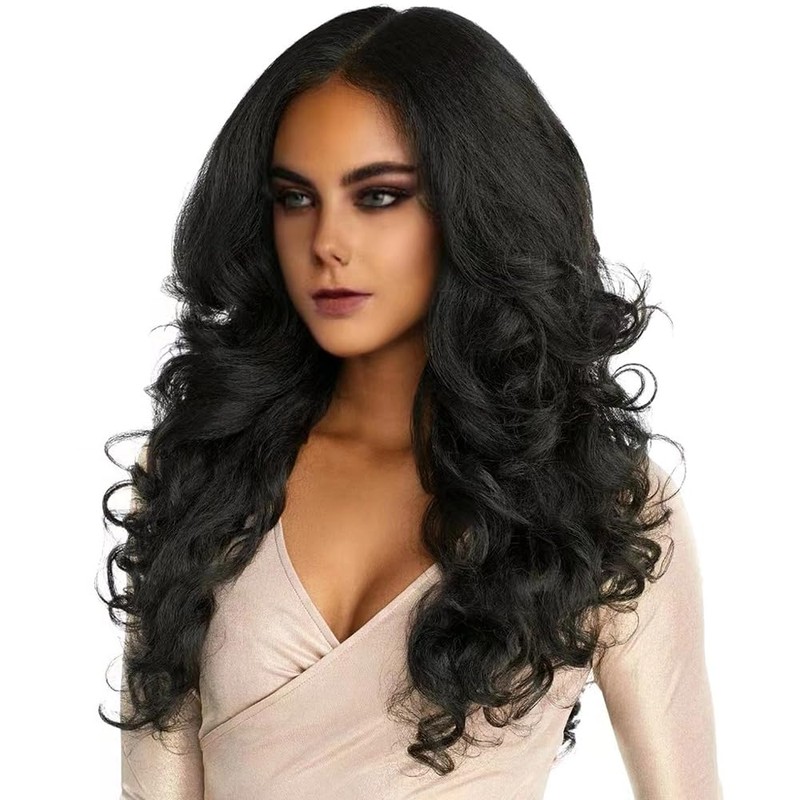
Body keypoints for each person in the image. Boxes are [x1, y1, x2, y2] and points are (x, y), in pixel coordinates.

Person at [99, 5, 722, 798]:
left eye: (378, 196)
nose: (327, 242)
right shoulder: (201, 467)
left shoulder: (602, 503)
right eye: (295, 198)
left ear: (475, 205)